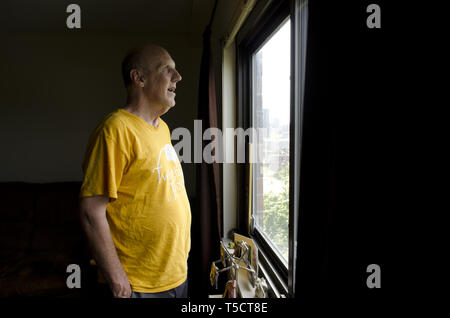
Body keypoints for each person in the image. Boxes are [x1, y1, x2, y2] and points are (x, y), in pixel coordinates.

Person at [78, 44, 191, 298]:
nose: (178, 77)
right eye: (167, 70)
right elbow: (90, 212)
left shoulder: (161, 128)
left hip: (174, 276)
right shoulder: (115, 129)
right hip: (137, 284)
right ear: (139, 78)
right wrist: (118, 281)